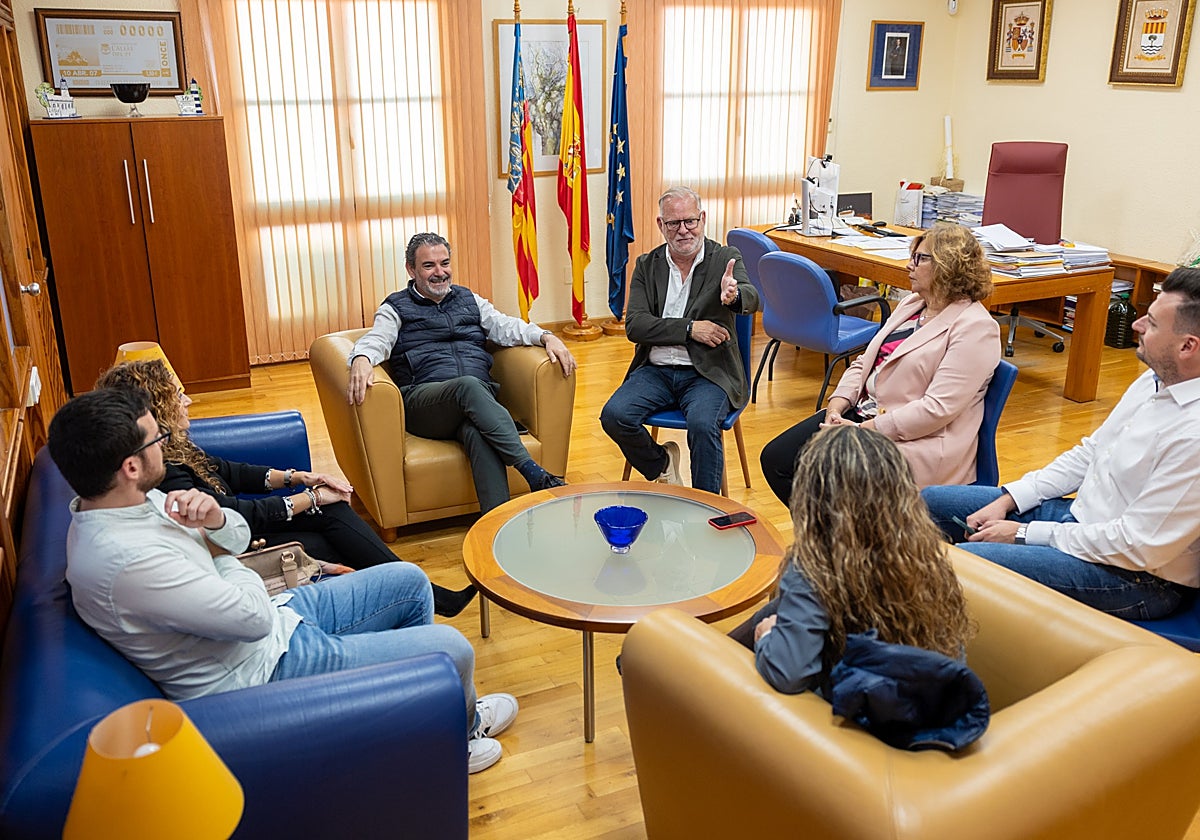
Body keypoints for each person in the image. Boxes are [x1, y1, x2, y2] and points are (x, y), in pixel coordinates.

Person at [48, 388, 517, 774]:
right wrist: (221, 554)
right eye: (157, 439)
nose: (165, 445)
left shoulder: (130, 503)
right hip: (263, 666)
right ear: (130, 465)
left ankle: (422, 721)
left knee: (409, 580)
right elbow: (249, 615)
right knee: (452, 649)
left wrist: (214, 523)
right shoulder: (125, 562)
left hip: (277, 622)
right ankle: (456, 737)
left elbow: (233, 536)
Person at [922, 267, 1200, 620]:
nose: (1137, 325)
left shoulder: (1194, 435)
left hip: (1136, 576)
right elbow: (1091, 452)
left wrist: (1023, 533)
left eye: (1153, 323)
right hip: (1081, 522)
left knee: (968, 566)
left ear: (1188, 346)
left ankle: (946, 636)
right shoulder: (1156, 379)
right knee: (931, 502)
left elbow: (1137, 546)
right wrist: (1010, 499)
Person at [97, 359, 476, 618]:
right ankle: (421, 595)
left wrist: (302, 478)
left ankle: (420, 594)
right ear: (157, 408)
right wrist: (309, 498)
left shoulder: (171, 445)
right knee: (333, 527)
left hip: (241, 527)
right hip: (236, 546)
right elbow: (234, 515)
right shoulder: (161, 469)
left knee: (335, 516)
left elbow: (231, 470)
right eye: (177, 396)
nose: (188, 400)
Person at [759, 222, 1000, 505]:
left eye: (919, 259)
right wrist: (836, 406)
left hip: (915, 440)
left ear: (948, 266)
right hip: (863, 415)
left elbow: (936, 410)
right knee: (776, 459)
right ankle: (830, 540)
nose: (909, 266)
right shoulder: (913, 304)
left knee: (826, 476)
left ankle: (837, 540)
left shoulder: (976, 328)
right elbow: (865, 362)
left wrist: (863, 431)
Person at [731, 425, 972, 694]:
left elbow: (788, 675)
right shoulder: (924, 552)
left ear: (812, 499)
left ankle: (704, 659)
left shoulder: (815, 566)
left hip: (863, 723)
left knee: (766, 621)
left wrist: (766, 637)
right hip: (934, 705)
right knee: (773, 609)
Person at [347, 232, 577, 513]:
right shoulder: (395, 307)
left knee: (478, 432)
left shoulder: (469, 299)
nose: (439, 272)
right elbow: (377, 339)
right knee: (467, 386)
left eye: (444, 263)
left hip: (476, 401)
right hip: (426, 403)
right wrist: (361, 356)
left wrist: (545, 336)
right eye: (429, 265)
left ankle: (496, 523)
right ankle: (532, 472)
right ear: (411, 270)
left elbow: (505, 326)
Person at [600, 187, 759, 493]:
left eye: (690, 221)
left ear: (702, 219)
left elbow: (753, 298)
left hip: (708, 373)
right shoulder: (648, 265)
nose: (683, 230)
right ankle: (661, 464)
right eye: (674, 223)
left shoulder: (725, 257)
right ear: (661, 225)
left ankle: (706, 507)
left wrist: (735, 295)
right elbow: (636, 325)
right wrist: (690, 329)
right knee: (614, 416)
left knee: (702, 425)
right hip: (656, 371)